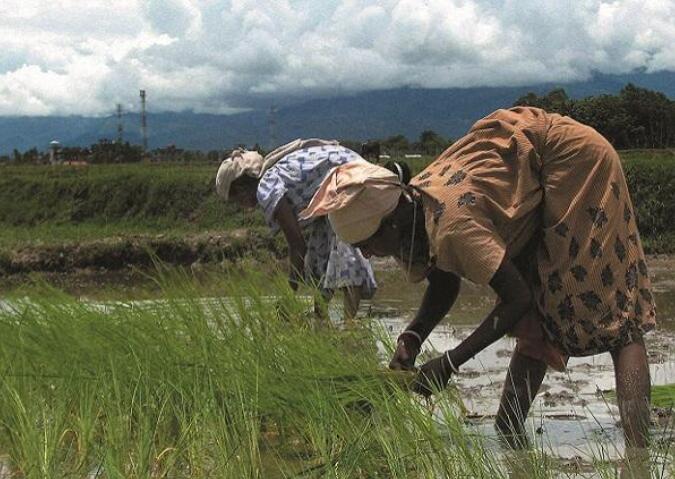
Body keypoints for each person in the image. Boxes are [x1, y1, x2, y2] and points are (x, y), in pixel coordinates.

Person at [300, 108, 657, 459]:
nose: (366, 256)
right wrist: (412, 338)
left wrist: (451, 362)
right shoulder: (416, 208)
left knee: (615, 321)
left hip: (577, 164)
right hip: (536, 172)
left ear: (390, 225)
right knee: (537, 304)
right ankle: (509, 428)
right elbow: (444, 285)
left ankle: (639, 454)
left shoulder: (454, 222)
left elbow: (515, 299)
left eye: (367, 245)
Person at [215, 139, 377, 320]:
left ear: (242, 188)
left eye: (236, 200)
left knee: (346, 252)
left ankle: (350, 327)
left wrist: (289, 293)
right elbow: (305, 246)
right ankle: (320, 318)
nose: (241, 206)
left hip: (348, 179)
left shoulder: (266, 187)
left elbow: (298, 245)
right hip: (335, 190)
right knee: (319, 252)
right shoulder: (271, 178)